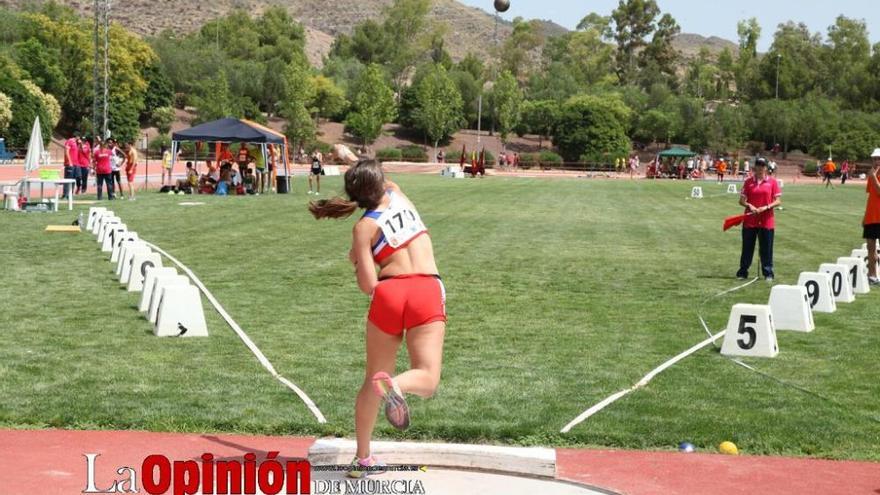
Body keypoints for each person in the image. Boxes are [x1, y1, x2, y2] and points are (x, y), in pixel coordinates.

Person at [308, 160, 446, 479]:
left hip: (389, 294)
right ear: (381, 182)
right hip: (425, 287)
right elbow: (380, 185)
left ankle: (362, 458)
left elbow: (369, 285)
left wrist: (358, 258)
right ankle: (396, 385)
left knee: (372, 379)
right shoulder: (397, 193)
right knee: (426, 379)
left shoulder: (363, 228)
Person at [737, 158, 782, 281]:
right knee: (747, 247)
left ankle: (768, 273)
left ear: (766, 168)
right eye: (758, 165)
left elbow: (778, 201)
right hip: (750, 220)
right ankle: (742, 271)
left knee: (766, 248)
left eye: (763, 165)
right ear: (755, 167)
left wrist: (766, 207)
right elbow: (741, 201)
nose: (760, 167)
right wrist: (749, 205)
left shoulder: (772, 182)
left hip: (766, 220)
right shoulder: (748, 182)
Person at [864, 149, 880, 285]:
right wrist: (865, 216)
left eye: (878, 159)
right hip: (871, 217)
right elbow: (871, 196)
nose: (876, 161)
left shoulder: (872, 175)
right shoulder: (872, 174)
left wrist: (874, 176)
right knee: (870, 248)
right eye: (874, 159)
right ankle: (872, 275)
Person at [62, 134, 79, 199]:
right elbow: (66, 151)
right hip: (70, 164)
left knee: (73, 180)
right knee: (67, 180)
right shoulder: (70, 141)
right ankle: (65, 194)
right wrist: (70, 162)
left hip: (75, 164)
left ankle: (70, 194)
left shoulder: (76, 143)